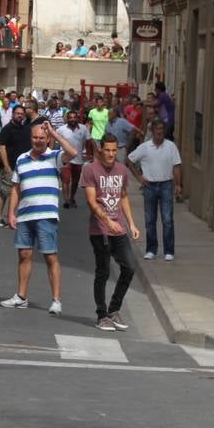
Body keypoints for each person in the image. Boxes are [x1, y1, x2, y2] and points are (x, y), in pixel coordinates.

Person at [1, 120, 79, 314]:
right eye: (35, 137)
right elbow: (16, 188)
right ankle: (21, 296)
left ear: (47, 139)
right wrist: (11, 213)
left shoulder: (54, 157)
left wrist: (54, 133)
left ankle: (56, 300)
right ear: (31, 138)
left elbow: (74, 153)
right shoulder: (21, 159)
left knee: (50, 256)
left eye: (42, 138)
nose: (38, 141)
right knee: (24, 255)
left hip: (46, 215)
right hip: (25, 215)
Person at [82, 133, 140, 332]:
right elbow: (91, 201)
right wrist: (107, 220)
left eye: (114, 150)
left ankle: (114, 309)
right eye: (107, 150)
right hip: (99, 230)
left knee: (130, 267)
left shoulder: (122, 170)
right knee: (103, 271)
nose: (110, 154)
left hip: (119, 228)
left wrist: (131, 224)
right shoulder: (90, 170)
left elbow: (123, 197)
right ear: (100, 150)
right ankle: (102, 315)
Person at [127, 119, 182, 262]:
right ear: (152, 131)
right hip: (149, 186)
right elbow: (129, 160)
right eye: (157, 129)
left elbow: (176, 166)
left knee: (167, 219)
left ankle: (169, 251)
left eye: (162, 129)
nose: (159, 132)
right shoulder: (145, 147)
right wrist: (139, 177)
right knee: (150, 220)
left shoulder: (171, 147)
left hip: (166, 186)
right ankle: (151, 249)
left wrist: (178, 184)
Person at [0, 105, 31, 228]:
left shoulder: (24, 128)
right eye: (17, 113)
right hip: (8, 166)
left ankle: (12, 217)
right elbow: (1, 147)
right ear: (13, 114)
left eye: (22, 114)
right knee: (5, 192)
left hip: (21, 166)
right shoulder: (7, 129)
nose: (20, 115)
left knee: (16, 192)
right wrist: (6, 166)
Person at [56, 109, 91, 209]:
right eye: (70, 117)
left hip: (78, 159)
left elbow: (89, 141)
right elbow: (54, 138)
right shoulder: (61, 129)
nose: (72, 119)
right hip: (65, 159)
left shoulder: (83, 129)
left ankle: (72, 198)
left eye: (74, 117)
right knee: (65, 180)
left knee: (75, 181)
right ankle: (66, 200)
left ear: (77, 118)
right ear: (67, 119)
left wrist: (89, 153)